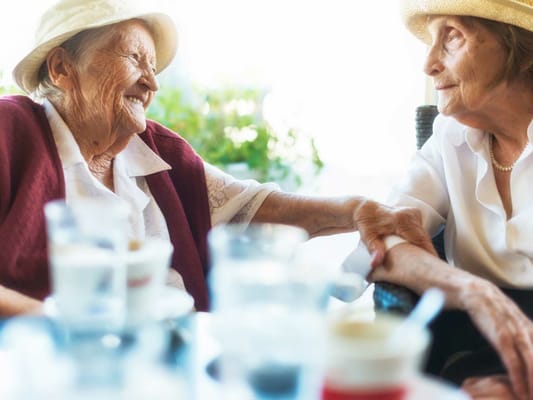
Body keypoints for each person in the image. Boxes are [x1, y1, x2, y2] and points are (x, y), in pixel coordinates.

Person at [0, 0, 434, 317]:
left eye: (155, 68)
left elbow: (253, 210)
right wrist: (57, 326)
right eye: (135, 58)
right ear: (60, 68)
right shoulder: (10, 131)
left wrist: (358, 209)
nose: (152, 83)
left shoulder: (155, 152)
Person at [362, 0, 533, 399]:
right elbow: (384, 238)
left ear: (522, 49)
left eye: (452, 37)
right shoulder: (450, 136)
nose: (429, 64)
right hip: (463, 340)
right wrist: (474, 292)